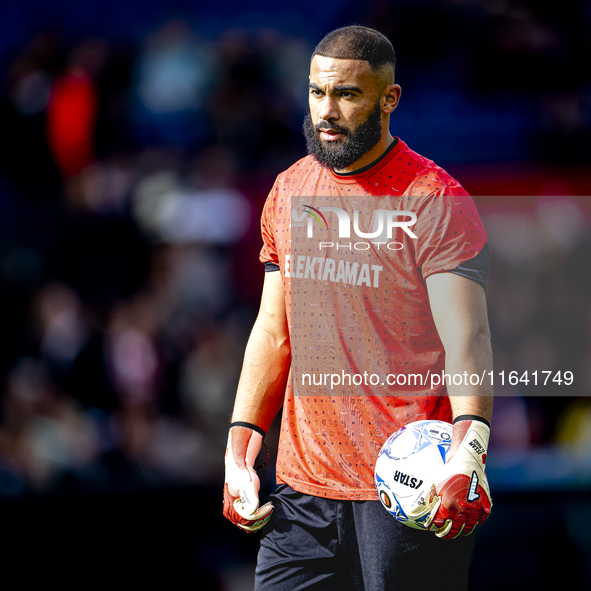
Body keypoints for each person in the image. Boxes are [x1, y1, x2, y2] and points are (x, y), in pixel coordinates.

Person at [223, 25, 493, 591]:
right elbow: (274, 331)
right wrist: (239, 449)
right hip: (300, 495)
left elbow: (466, 340)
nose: (328, 110)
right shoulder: (289, 190)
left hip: (407, 488)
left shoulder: (434, 198)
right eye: (318, 92)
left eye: (347, 94)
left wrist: (470, 448)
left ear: (388, 99)